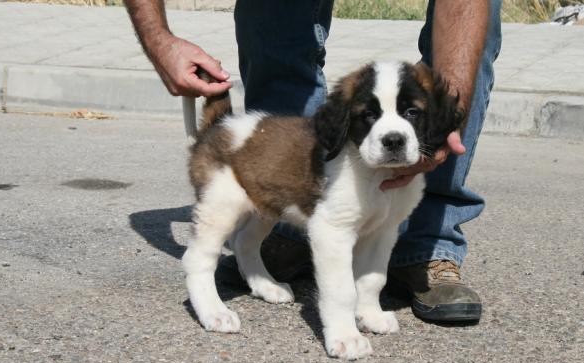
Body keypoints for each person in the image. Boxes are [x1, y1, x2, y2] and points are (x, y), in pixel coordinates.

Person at [124, 0, 502, 323]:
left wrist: (450, 118)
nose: (392, 130)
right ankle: (230, 269)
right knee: (276, 26)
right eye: (369, 115)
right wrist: (160, 40)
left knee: (380, 225)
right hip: (240, 163)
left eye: (413, 113)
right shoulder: (329, 148)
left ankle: (429, 247)